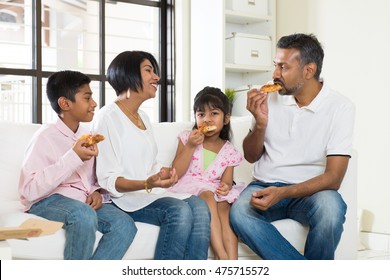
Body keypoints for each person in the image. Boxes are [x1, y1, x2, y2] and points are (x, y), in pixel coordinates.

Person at [230, 33, 355, 260]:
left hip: (311, 192)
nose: (275, 74)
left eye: (283, 67)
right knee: (239, 214)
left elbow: (334, 177)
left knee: (331, 209)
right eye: (275, 65)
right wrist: (260, 123)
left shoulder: (340, 107)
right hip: (264, 184)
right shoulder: (268, 97)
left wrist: (283, 193)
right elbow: (250, 156)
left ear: (308, 70)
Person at [91, 50, 211, 260]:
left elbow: (150, 163)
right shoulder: (107, 117)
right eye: (149, 71)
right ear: (128, 75)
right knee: (179, 211)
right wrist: (148, 183)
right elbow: (108, 179)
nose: (157, 77)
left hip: (148, 193)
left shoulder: (144, 117)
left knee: (199, 205)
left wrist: (161, 174)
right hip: (124, 199)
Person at [18, 70, 136, 260]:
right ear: (65, 103)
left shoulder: (88, 134)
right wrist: (73, 156)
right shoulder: (44, 137)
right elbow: (30, 191)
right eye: (87, 98)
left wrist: (98, 192)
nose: (94, 103)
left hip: (81, 201)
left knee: (125, 224)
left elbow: (93, 179)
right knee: (83, 215)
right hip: (47, 201)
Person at [168, 87, 245, 260]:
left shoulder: (229, 150)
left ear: (225, 119)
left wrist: (225, 187)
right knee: (208, 196)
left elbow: (226, 181)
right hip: (189, 185)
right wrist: (190, 146)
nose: (206, 119)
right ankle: (221, 254)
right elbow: (175, 173)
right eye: (201, 114)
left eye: (214, 114)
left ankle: (232, 263)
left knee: (225, 210)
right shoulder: (187, 138)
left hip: (214, 189)